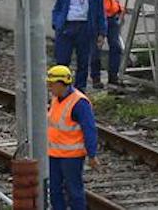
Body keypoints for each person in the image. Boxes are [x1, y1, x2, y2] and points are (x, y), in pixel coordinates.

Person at [46, 64, 99, 210]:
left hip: (71, 156)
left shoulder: (79, 103)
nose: (49, 87)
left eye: (51, 84)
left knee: (74, 192)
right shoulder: (56, 98)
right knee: (55, 191)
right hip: (54, 154)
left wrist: (92, 154)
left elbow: (89, 129)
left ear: (60, 84)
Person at [52, 0, 107, 91]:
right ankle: (62, 88)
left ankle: (80, 89)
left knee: (83, 61)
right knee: (62, 59)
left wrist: (102, 33)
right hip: (67, 26)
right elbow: (58, 6)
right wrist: (56, 23)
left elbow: (100, 13)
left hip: (85, 27)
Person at [89, 0, 123, 89]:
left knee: (116, 47)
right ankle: (96, 79)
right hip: (97, 18)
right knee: (96, 49)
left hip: (111, 16)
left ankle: (113, 78)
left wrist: (119, 9)